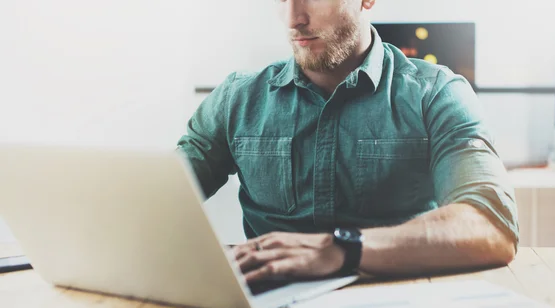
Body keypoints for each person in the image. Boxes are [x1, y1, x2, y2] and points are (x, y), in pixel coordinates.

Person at [177, 0, 519, 283]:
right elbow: (157, 197)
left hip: (400, 304)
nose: (294, 19)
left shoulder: (436, 94)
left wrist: (344, 248)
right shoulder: (237, 98)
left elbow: (490, 224)